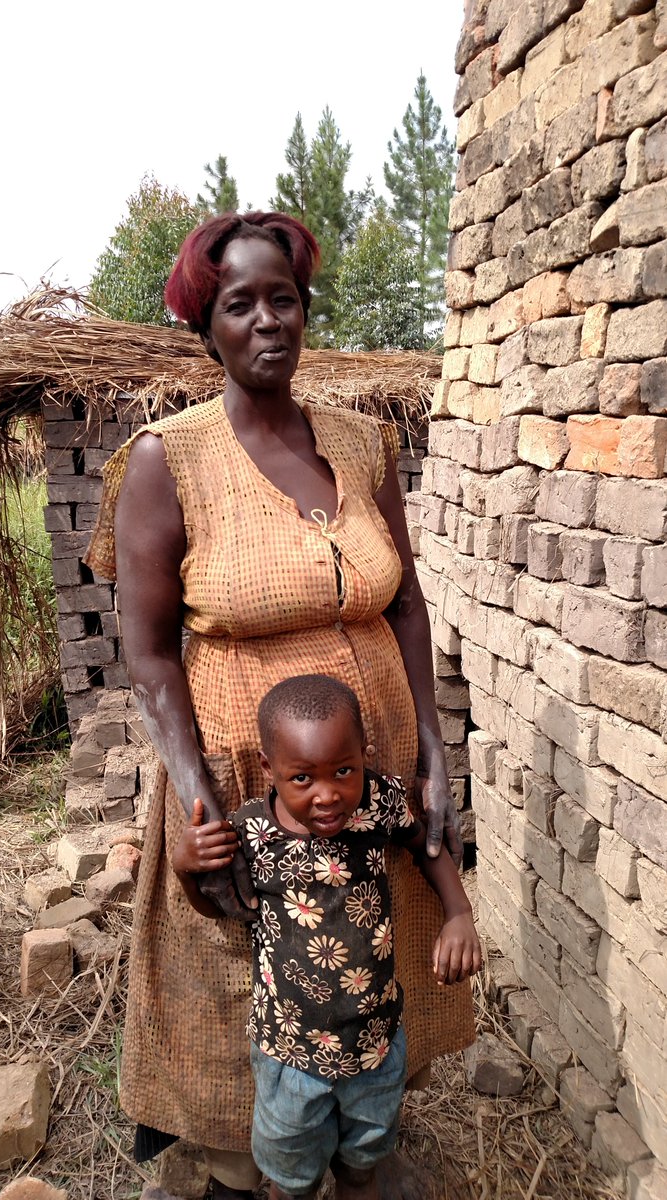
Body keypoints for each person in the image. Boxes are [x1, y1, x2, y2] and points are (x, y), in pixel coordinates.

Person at [84, 210, 475, 1200]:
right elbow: (146, 650)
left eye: (284, 299)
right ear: (204, 324)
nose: (267, 320)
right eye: (239, 303)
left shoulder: (360, 443)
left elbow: (409, 600)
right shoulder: (168, 460)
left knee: (366, 948)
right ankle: (249, 1164)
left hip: (367, 758)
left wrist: (430, 744)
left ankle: (364, 1143)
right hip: (246, 774)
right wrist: (193, 789)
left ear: (305, 312)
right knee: (243, 971)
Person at [175, 674, 481, 1200]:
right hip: (288, 1052)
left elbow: (422, 844)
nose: (327, 795)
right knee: (293, 1181)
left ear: (366, 755)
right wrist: (186, 869)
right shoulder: (251, 833)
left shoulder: (379, 804)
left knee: (363, 1167)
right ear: (270, 771)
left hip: (375, 1042)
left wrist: (458, 911)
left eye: (344, 771)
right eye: (303, 779)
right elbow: (216, 908)